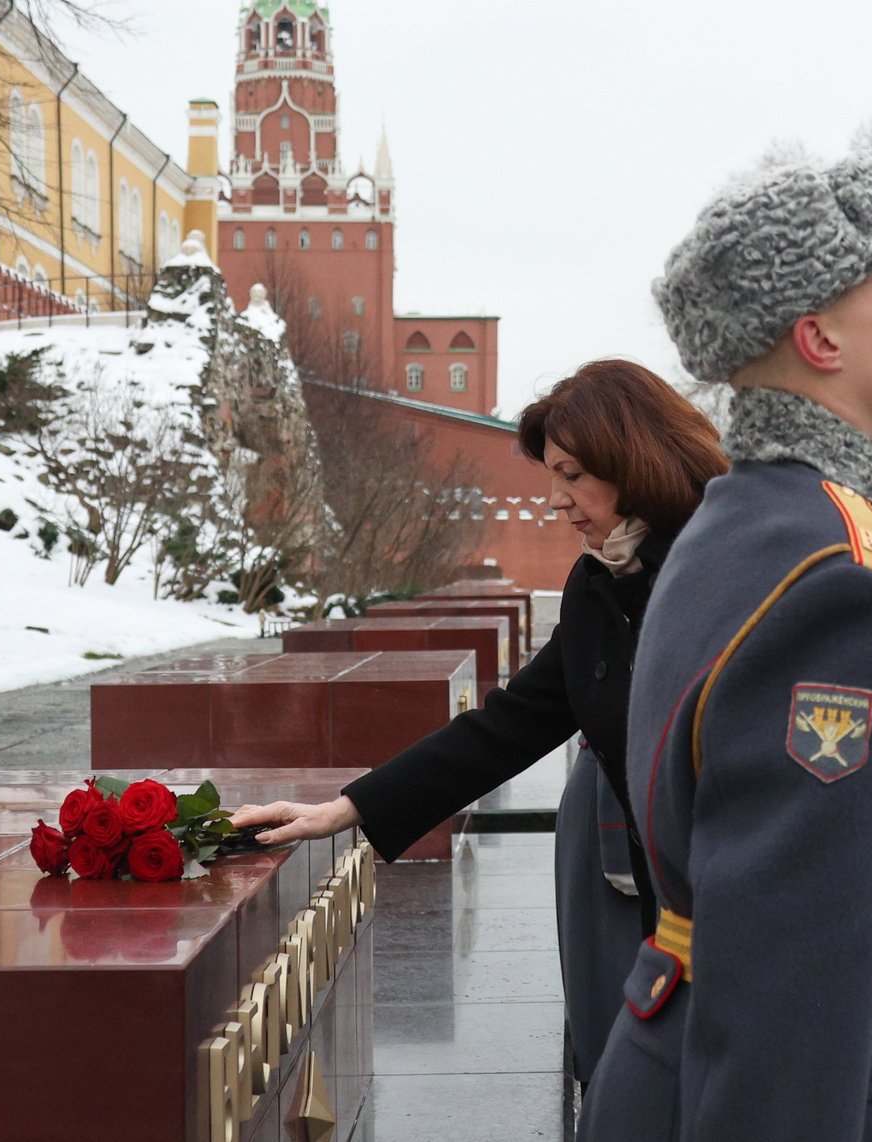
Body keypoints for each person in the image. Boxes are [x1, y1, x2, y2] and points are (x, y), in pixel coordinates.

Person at [579, 156, 872, 1140]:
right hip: (826, 1084)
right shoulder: (837, 574)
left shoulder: (757, 518)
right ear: (818, 338)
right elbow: (786, 967)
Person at [231, 358, 729, 1080]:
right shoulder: (600, 585)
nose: (556, 500)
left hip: (751, 915)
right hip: (674, 920)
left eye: (572, 475)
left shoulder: (727, 569)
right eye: (552, 477)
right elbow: (509, 724)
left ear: (634, 460)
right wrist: (344, 810)